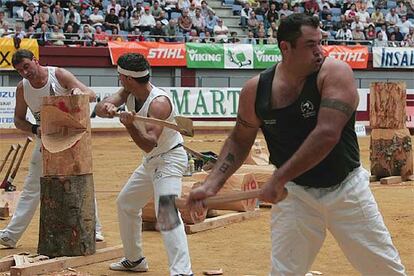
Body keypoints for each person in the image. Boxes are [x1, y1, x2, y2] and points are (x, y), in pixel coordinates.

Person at [188, 13, 406, 275]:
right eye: (310, 45)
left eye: (320, 42)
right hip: (296, 194)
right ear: (285, 48)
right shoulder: (255, 91)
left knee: (385, 270)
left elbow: (326, 134)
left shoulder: (335, 73)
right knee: (284, 272)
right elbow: (239, 140)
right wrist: (212, 185)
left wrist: (278, 177)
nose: (320, 51)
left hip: (346, 189)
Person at [95, 53, 193, 275]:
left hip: (169, 159)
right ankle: (135, 259)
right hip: (152, 161)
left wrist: (129, 125)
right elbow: (101, 107)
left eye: (120, 75)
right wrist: (107, 108)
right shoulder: (127, 91)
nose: (119, 78)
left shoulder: (159, 103)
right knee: (126, 204)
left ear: (129, 78)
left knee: (167, 213)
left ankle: (182, 272)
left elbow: (148, 144)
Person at [0, 49, 105, 249]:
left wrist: (77, 93)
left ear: (35, 61)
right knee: (32, 187)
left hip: (72, 137)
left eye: (26, 66)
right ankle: (11, 236)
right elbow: (18, 120)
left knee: (81, 181)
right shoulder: (23, 88)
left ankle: (95, 230)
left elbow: (91, 95)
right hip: (45, 139)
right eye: (20, 70)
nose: (24, 72)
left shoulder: (58, 75)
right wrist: (34, 129)